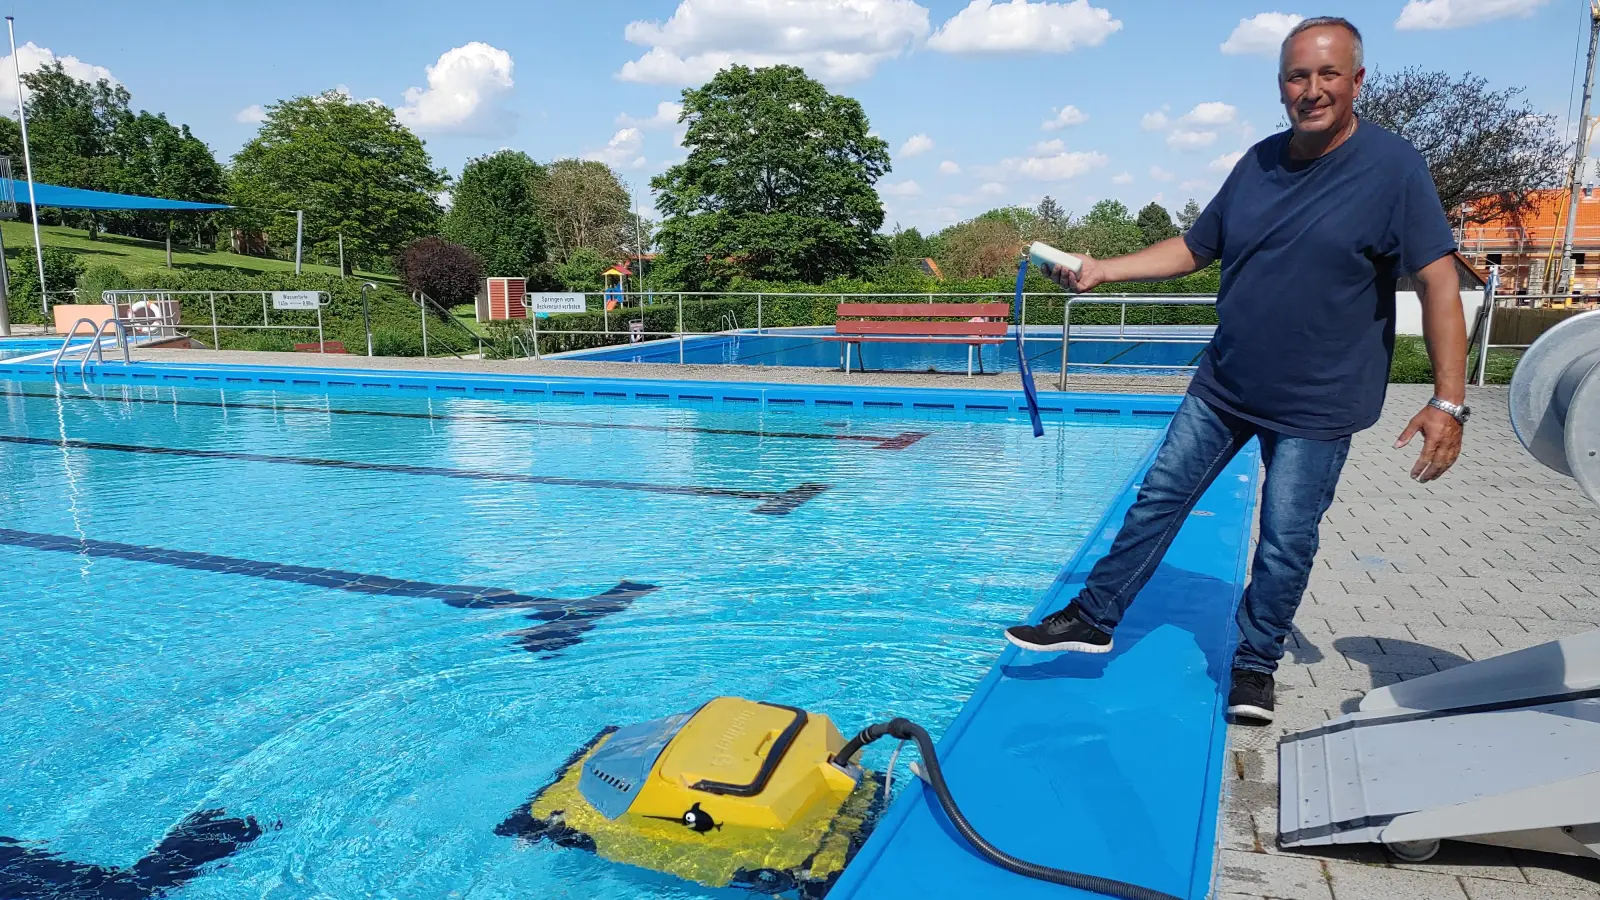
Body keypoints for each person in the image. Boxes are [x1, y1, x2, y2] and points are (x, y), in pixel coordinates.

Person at [1004, 16, 1470, 724]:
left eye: (1327, 74)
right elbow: (1195, 247)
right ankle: (1094, 619)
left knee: (1286, 538)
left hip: (1318, 404)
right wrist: (1104, 270)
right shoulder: (1257, 161)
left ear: (1356, 80)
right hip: (1226, 383)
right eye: (1296, 76)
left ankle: (1254, 667)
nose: (1311, 90)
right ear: (1281, 83)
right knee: (1158, 499)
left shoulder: (1394, 169)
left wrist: (1450, 401)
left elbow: (1438, 282)